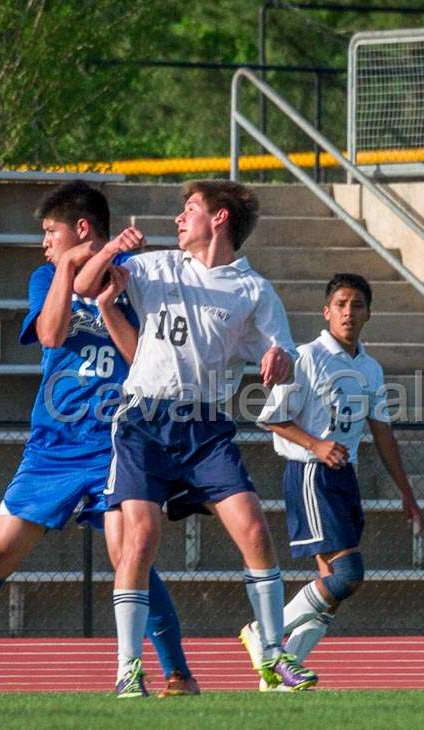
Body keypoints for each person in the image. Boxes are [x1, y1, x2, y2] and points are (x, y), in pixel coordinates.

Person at [0, 181, 198, 699]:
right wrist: (68, 268)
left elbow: (145, 362)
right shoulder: (46, 275)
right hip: (54, 447)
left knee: (129, 554)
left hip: (118, 441)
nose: (45, 242)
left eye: (51, 232)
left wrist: (110, 296)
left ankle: (178, 673)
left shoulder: (137, 284)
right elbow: (49, 335)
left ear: (82, 228)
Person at [74, 179, 318, 696]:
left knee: (254, 529)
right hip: (144, 421)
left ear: (220, 219)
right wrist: (114, 248)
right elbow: (84, 286)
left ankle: (273, 657)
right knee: (140, 539)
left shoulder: (253, 289)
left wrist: (279, 358)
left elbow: (286, 356)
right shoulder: (158, 265)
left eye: (191, 209)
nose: (180, 218)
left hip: (205, 427)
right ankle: (127, 671)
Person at [237, 272, 423, 689]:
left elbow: (383, 432)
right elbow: (271, 418)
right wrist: (317, 445)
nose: (349, 312)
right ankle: (263, 634)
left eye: (357, 305)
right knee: (347, 574)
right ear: (327, 311)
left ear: (368, 314)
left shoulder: (370, 369)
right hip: (311, 474)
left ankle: (279, 676)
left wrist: (407, 494)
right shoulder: (306, 357)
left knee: (333, 588)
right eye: (341, 304)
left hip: (344, 478)